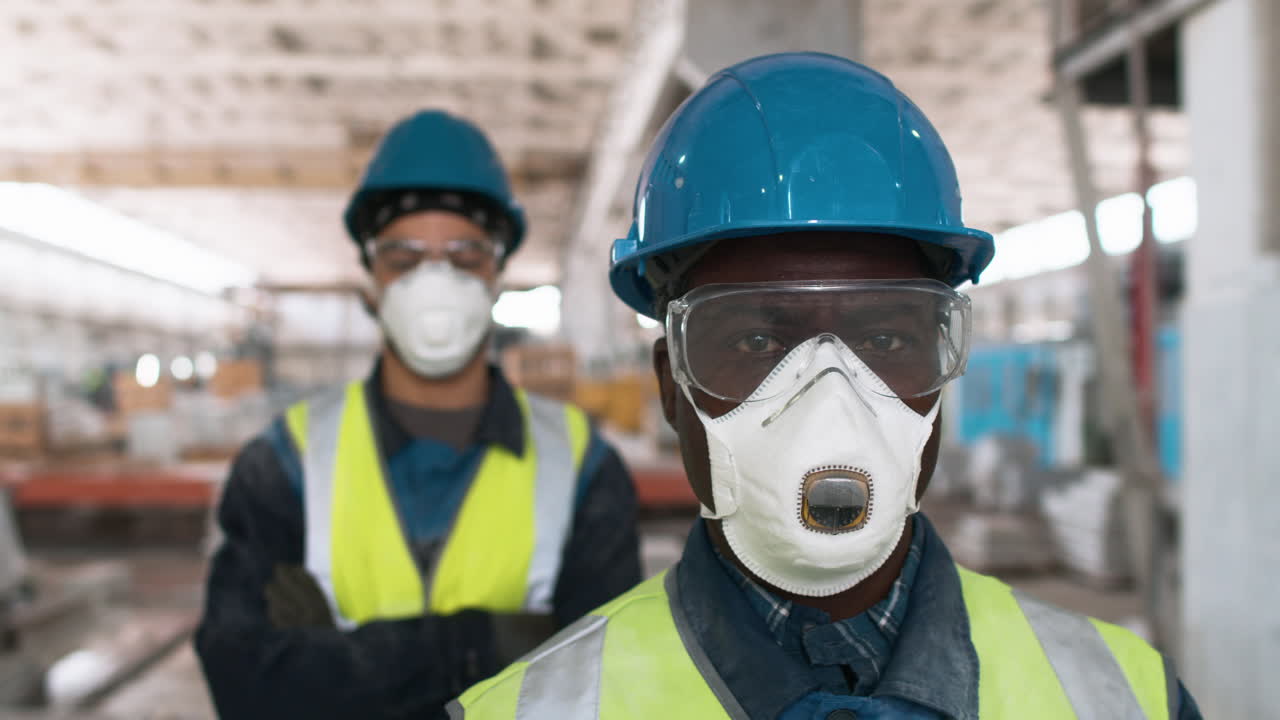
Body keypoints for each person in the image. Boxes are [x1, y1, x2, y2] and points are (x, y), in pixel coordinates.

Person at [449, 53, 1201, 719]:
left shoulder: (1126, 699)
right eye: (755, 339)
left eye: (884, 338)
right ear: (673, 389)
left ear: (944, 369)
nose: (830, 393)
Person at [195, 110, 642, 720]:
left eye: (464, 255)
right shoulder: (284, 462)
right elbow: (246, 686)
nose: (435, 280)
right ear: (371, 281)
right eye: (404, 258)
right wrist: (490, 642)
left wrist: (346, 662)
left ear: (496, 274)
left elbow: (602, 685)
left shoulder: (582, 464)